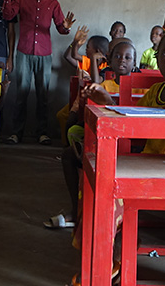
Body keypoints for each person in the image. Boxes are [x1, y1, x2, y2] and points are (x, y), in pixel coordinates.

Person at [59, 33, 165, 286]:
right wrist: (107, 100)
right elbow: (132, 123)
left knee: (113, 194)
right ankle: (101, 258)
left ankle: (106, 263)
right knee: (96, 184)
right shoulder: (155, 93)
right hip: (148, 170)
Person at [50, 39, 139, 230]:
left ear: (135, 63)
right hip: (104, 144)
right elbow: (94, 119)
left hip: (133, 147)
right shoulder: (102, 86)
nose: (122, 60)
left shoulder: (142, 88)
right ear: (110, 61)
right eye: (117, 56)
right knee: (68, 156)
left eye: (127, 57)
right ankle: (77, 209)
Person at [2, 0, 75, 145]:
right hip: (24, 53)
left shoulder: (53, 4)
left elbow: (61, 28)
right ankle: (16, 133)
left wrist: (66, 27)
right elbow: (8, 15)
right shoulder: (21, 0)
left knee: (43, 95)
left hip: (44, 54)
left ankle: (42, 133)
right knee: (21, 94)